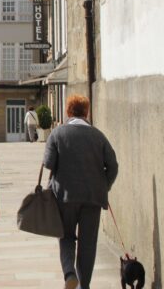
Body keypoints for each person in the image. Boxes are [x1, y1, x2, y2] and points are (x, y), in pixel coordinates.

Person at [43, 94, 118, 289]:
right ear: (86, 112)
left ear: (68, 112)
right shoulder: (98, 135)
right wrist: (104, 185)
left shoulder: (57, 134)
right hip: (93, 198)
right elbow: (113, 166)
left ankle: (70, 274)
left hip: (65, 198)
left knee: (66, 236)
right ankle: (84, 285)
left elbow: (49, 163)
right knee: (88, 243)